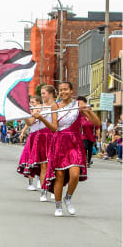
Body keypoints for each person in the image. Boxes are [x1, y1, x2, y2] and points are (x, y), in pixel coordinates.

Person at [44, 81, 101, 217]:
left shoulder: (78, 106)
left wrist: (88, 111)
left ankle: (68, 198)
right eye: (61, 90)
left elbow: (97, 123)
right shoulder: (55, 107)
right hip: (59, 142)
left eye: (65, 89)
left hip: (75, 142)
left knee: (75, 174)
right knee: (59, 175)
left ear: (71, 91)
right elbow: (54, 128)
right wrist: (41, 118)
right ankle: (58, 206)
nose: (63, 92)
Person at [77, 96, 101, 168]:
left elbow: (97, 126)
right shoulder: (81, 117)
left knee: (90, 149)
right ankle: (83, 160)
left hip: (91, 135)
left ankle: (88, 161)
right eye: (78, 104)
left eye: (82, 103)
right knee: (85, 147)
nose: (80, 105)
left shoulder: (90, 116)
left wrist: (98, 137)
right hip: (83, 135)